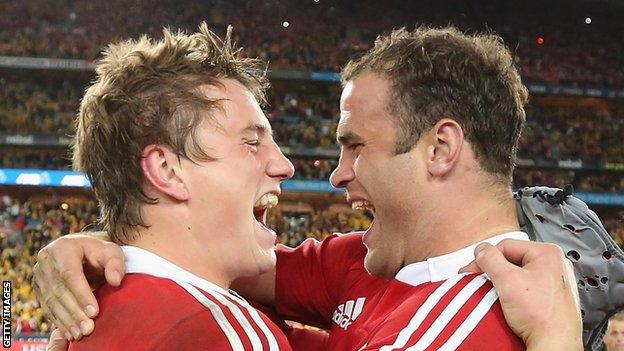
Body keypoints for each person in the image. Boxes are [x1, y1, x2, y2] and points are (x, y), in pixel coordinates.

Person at [35, 26, 583, 350]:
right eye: (253, 143)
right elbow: (193, 255)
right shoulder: (360, 263)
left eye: (355, 145)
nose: (330, 173)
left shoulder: (475, 327)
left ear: (440, 149)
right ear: (165, 170)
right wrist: (97, 245)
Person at [53, 23, 302, 350]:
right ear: (166, 170)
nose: (285, 166)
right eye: (252, 142)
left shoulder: (83, 329)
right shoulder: (223, 329)